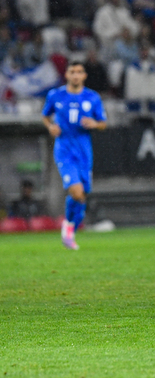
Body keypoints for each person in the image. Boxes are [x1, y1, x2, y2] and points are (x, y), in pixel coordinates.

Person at [42, 61, 107, 250]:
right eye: (72, 72)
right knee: (76, 191)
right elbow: (45, 116)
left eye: (79, 72)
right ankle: (68, 229)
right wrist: (51, 127)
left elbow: (103, 123)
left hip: (84, 152)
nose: (76, 75)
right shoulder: (55, 95)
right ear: (67, 75)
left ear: (84, 75)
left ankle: (69, 228)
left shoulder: (92, 97)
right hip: (64, 150)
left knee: (81, 197)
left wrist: (94, 124)